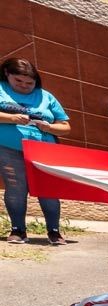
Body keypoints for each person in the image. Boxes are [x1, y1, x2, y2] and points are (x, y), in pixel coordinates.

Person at [0, 57, 71, 245]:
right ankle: (18, 230)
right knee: (16, 188)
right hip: (8, 148)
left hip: (44, 150)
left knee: (47, 189)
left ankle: (54, 231)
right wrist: (11, 118)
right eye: (18, 81)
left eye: (29, 83)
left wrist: (49, 127)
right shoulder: (1, 89)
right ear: (7, 74)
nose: (24, 86)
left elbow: (65, 127)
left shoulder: (46, 96)